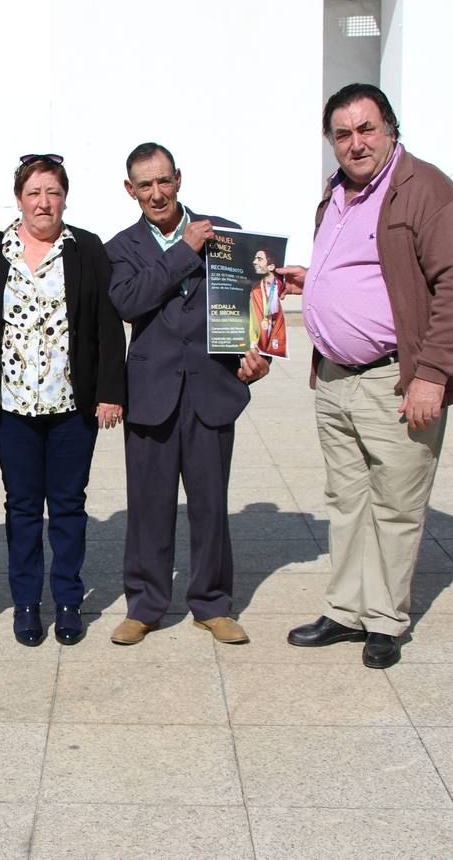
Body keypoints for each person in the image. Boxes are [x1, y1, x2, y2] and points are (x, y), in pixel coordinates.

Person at [279, 84, 453, 668]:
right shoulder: (337, 194)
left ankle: (386, 620)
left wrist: (432, 375)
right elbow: (368, 271)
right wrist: (312, 280)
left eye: (366, 129)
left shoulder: (427, 192)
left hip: (395, 378)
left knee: (395, 505)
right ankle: (345, 610)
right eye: (342, 134)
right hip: (337, 378)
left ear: (392, 129)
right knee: (347, 501)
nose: (355, 142)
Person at [105, 143, 269, 648]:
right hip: (152, 392)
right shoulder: (121, 246)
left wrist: (258, 348)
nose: (157, 193)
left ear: (178, 178)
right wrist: (183, 252)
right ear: (130, 191)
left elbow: (254, 299)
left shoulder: (225, 233)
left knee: (210, 505)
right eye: (145, 185)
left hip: (212, 387)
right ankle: (146, 605)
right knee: (149, 507)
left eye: (164, 181)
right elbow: (128, 302)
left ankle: (212, 604)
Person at [0, 153, 126, 646]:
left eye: (52, 192)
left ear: (64, 198)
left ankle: (68, 601)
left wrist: (109, 393)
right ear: (19, 199)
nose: (43, 202)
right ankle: (27, 604)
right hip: (11, 408)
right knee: (20, 507)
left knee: (68, 506)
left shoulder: (87, 250)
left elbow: (106, 324)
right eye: (34, 193)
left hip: (71, 408)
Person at [248, 249, 286, 356]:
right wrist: (253, 342)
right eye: (255, 259)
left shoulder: (282, 286)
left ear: (271, 267)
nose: (254, 262)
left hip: (277, 337)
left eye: (259, 259)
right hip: (260, 339)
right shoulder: (256, 289)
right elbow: (253, 318)